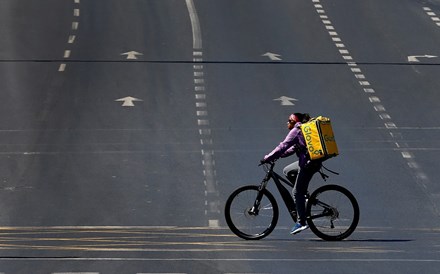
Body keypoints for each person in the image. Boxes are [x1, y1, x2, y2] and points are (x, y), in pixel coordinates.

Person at [261, 113, 322, 235]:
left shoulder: (297, 130)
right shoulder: (301, 131)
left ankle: (302, 222)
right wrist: (279, 156)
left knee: (296, 192)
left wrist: (268, 157)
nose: (287, 123)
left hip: (308, 164)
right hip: (308, 162)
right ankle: (304, 195)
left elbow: (283, 145)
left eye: (289, 120)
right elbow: (291, 149)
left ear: (295, 121)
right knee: (287, 171)